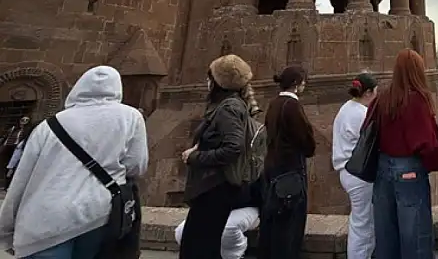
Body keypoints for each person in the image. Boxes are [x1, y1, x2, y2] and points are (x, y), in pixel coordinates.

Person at [0, 65, 148, 259]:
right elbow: (136, 165)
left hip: (44, 217)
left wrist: (6, 230)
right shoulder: (130, 118)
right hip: (97, 213)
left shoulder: (48, 126)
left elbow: (22, 178)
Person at [370, 49, 438, 259]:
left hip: (382, 169)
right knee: (415, 234)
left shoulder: (381, 98)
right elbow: (427, 143)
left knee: (386, 234)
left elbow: (368, 131)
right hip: (409, 170)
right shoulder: (416, 101)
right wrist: (437, 161)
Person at [180, 54, 257, 259]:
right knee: (203, 246)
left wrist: (195, 157)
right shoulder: (230, 106)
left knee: (197, 248)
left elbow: (233, 147)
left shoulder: (228, 108)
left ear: (218, 82)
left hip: (214, 188)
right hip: (213, 189)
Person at [259, 66, 316, 259]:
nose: (304, 85)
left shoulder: (274, 103)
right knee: (289, 224)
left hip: (273, 167)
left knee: (274, 220)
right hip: (290, 169)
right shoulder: (291, 106)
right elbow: (304, 138)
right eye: (302, 81)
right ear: (295, 84)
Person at [332, 72, 379, 259]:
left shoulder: (346, 108)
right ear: (367, 92)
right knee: (364, 226)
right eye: (375, 91)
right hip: (359, 174)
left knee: (360, 222)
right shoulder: (362, 113)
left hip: (348, 172)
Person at [174, 207, 260, 259]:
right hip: (215, 202)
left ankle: (233, 255)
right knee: (181, 232)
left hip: (247, 205)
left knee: (228, 229)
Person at [2, 116, 32, 189]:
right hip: (8, 148)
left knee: (12, 167)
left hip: (17, 150)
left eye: (26, 120)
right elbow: (6, 137)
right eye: (22, 120)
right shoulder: (14, 129)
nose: (23, 122)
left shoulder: (27, 131)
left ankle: (8, 185)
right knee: (6, 166)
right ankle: (5, 184)